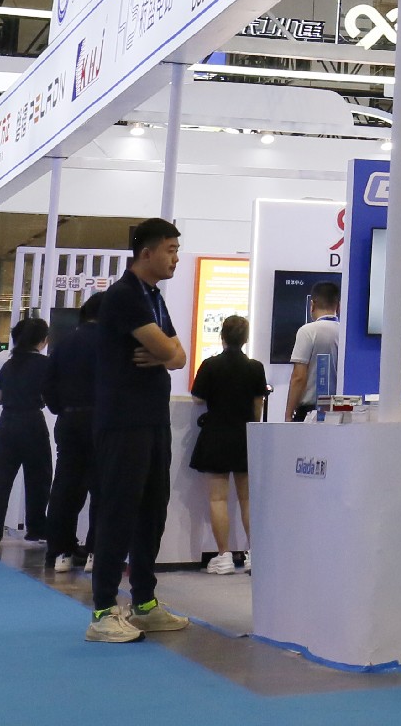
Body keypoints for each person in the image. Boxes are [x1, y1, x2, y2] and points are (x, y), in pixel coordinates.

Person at [86, 218, 192, 644]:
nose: (176, 258)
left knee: (152, 511)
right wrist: (166, 352)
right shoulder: (125, 295)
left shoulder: (153, 297)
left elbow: (180, 356)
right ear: (146, 252)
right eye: (170, 250)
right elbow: (169, 349)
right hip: (123, 421)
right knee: (118, 511)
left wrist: (166, 354)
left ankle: (144, 603)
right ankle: (103, 611)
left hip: (152, 419)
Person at [190, 315, 269, 576]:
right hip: (244, 436)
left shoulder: (210, 365)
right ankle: (254, 554)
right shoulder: (255, 368)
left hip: (216, 435)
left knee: (218, 498)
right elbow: (258, 405)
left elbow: (197, 398)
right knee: (247, 499)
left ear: (222, 336)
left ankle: (223, 555)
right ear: (245, 339)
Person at [0, 317, 53, 550]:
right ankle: (36, 529)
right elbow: (51, 396)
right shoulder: (45, 364)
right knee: (38, 478)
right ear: (43, 341)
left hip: (7, 423)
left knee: (0, 480)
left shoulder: (9, 365)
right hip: (32, 422)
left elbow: (0, 398)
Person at [43, 295, 102, 573]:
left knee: (65, 487)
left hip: (69, 420)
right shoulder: (111, 343)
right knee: (101, 488)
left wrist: (61, 409)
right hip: (102, 422)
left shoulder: (64, 343)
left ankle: (60, 552)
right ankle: (95, 552)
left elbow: (48, 384)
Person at [285, 282, 342, 421]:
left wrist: (288, 414)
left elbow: (299, 377)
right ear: (338, 306)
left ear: (312, 304)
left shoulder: (307, 331)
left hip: (310, 411)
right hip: (339, 410)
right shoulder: (345, 332)